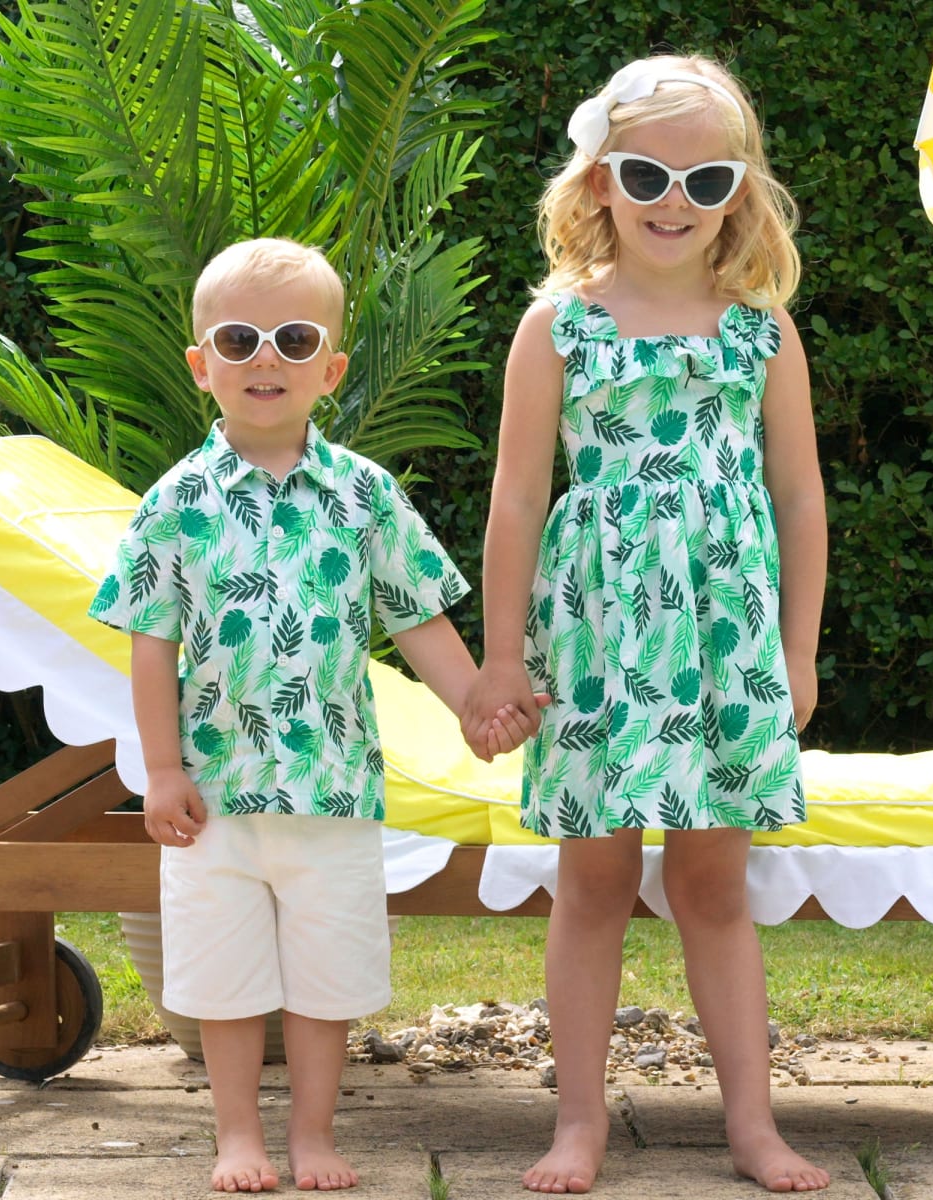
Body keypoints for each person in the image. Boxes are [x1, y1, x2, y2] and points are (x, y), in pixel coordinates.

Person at [89, 237, 542, 1193]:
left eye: (294, 340)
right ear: (201, 364)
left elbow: (417, 617)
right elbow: (150, 642)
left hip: (333, 791)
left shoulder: (364, 494)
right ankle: (236, 1137)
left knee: (326, 976)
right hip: (215, 794)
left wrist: (474, 704)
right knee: (223, 980)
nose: (266, 359)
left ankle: (313, 1134)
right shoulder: (173, 503)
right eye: (239, 340)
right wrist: (161, 769)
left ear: (330, 369)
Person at [462, 55, 829, 1194]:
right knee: (595, 883)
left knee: (715, 887)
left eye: (706, 179)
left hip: (725, 639)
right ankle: (579, 1122)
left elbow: (799, 496)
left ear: (739, 195)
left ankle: (752, 1127)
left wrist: (798, 650)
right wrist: (503, 654)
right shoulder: (559, 327)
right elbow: (517, 497)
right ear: (599, 181)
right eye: (646, 174)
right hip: (599, 637)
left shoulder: (761, 332)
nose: (674, 199)